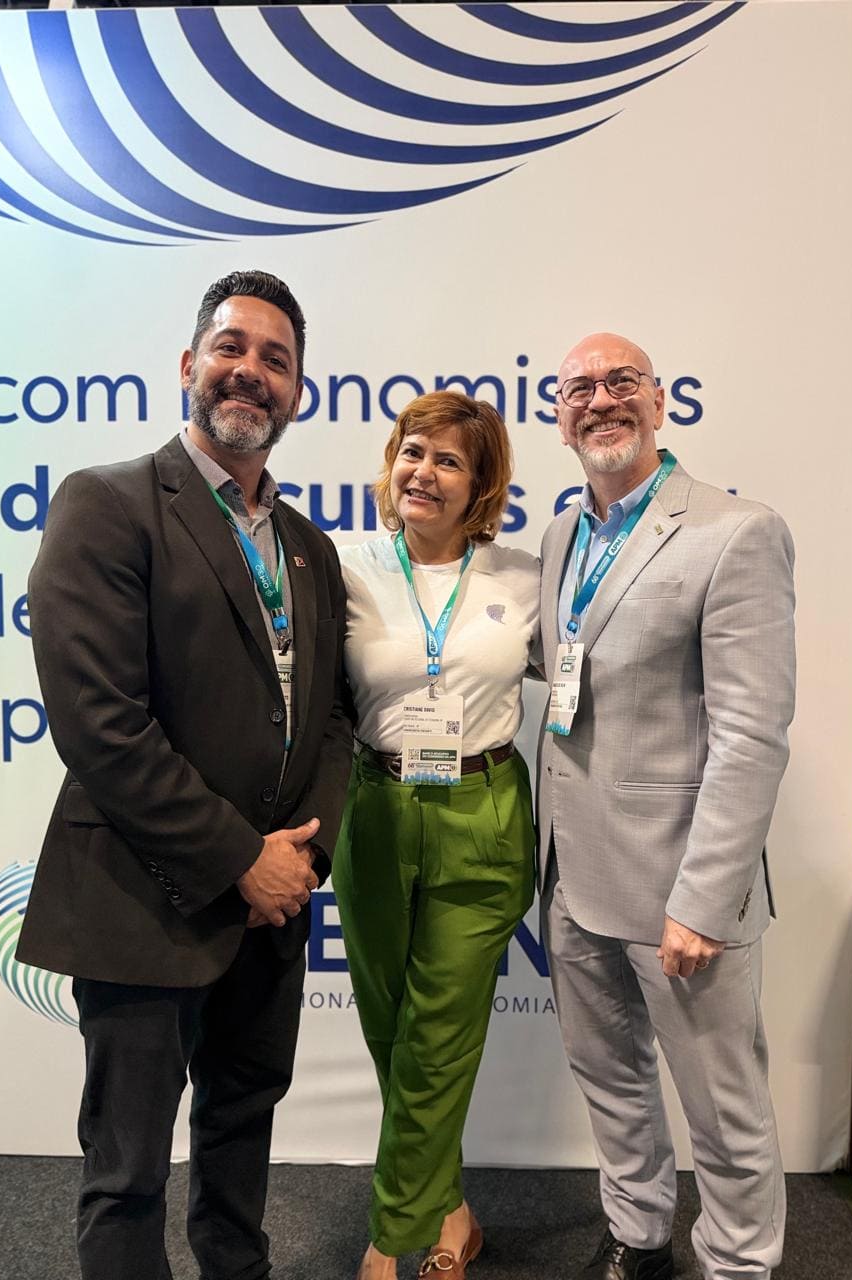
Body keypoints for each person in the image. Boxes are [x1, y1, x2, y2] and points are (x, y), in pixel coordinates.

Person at [16, 270, 353, 1280]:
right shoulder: (109, 503)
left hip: (271, 908)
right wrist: (240, 858)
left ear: (298, 392)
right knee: (126, 1171)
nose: (251, 371)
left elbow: (332, 718)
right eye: (231, 347)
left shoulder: (308, 546)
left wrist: (301, 860)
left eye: (276, 360)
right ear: (188, 364)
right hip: (144, 899)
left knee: (241, 1140)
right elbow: (101, 725)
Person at [537, 333, 795, 1280]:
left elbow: (752, 735)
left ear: (658, 402)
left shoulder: (736, 531)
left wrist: (706, 899)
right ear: (560, 416)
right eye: (579, 388)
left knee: (723, 1108)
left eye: (621, 382)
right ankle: (638, 1237)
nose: (600, 400)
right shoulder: (562, 536)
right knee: (611, 1080)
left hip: (681, 889)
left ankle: (739, 1264)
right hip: (572, 875)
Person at [333, 391, 538, 1280]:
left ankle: (389, 1241)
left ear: (479, 486)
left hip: (481, 815)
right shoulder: (341, 567)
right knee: (392, 1028)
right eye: (412, 452)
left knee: (438, 1034)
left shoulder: (525, 578)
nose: (423, 472)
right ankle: (451, 1211)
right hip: (375, 810)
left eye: (448, 460)